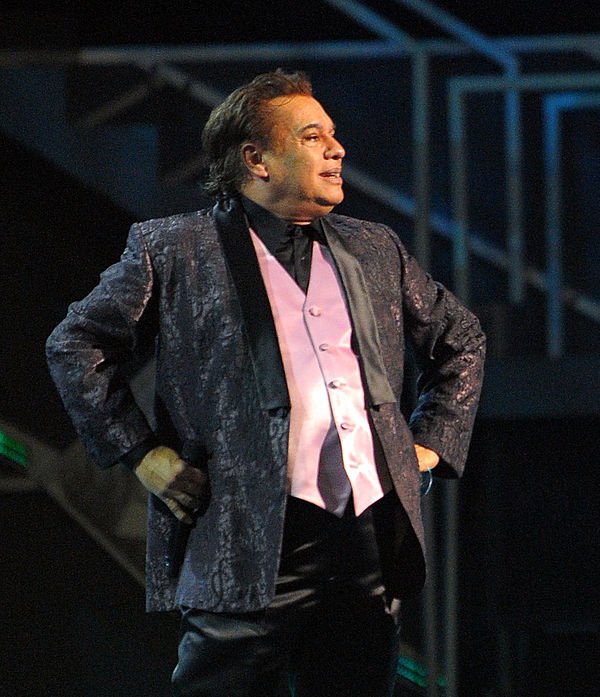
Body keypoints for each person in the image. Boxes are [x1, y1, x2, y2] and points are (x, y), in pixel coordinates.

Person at [45, 69, 485, 696]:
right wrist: (140, 454)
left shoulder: (373, 248)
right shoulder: (175, 249)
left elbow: (460, 338)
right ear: (257, 159)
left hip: (365, 543)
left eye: (333, 135)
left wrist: (430, 442)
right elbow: (75, 344)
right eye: (312, 137)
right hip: (243, 543)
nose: (336, 150)